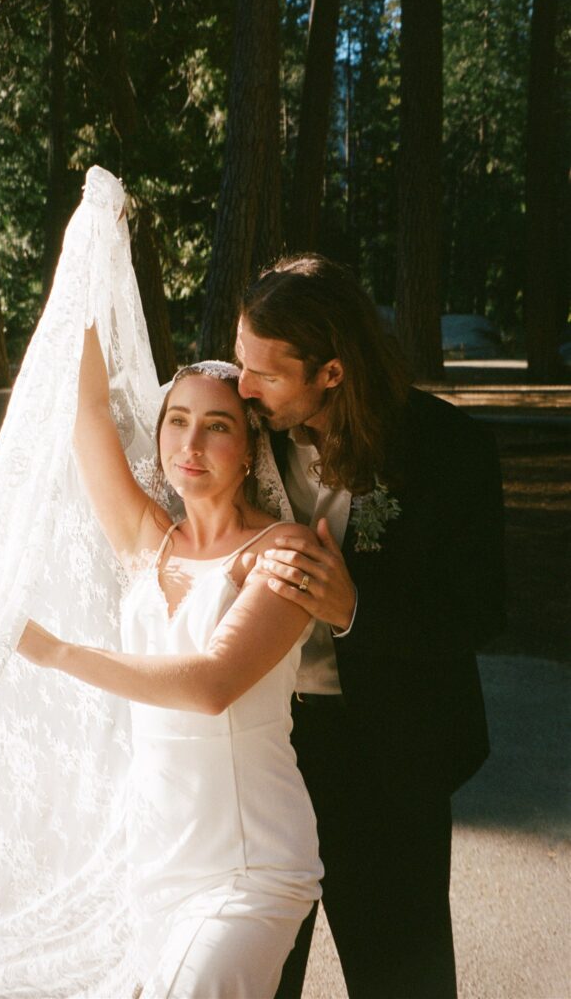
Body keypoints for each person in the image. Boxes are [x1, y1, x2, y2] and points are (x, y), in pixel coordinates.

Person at [233, 254, 506, 999]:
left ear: (331, 372)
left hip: (389, 761)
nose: (243, 386)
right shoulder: (234, 427)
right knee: (252, 980)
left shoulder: (449, 450)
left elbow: (481, 607)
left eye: (266, 372)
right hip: (257, 759)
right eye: (239, 360)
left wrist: (356, 611)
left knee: (402, 981)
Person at [17, 345, 323, 998]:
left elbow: (211, 686)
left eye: (216, 426)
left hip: (251, 863)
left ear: (248, 451)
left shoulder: (281, 551)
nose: (190, 441)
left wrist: (60, 654)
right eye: (176, 420)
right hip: (153, 859)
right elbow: (88, 409)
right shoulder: (145, 541)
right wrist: (92, 243)